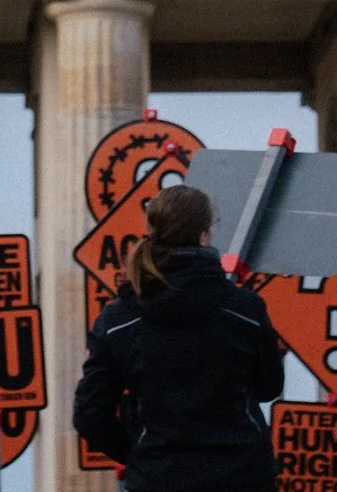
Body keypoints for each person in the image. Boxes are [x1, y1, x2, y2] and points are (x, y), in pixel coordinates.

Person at [74, 183, 285, 490]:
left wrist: (141, 457)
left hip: (158, 479)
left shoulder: (119, 320)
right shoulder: (244, 309)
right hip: (241, 476)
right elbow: (269, 388)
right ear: (204, 236)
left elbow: (90, 415)